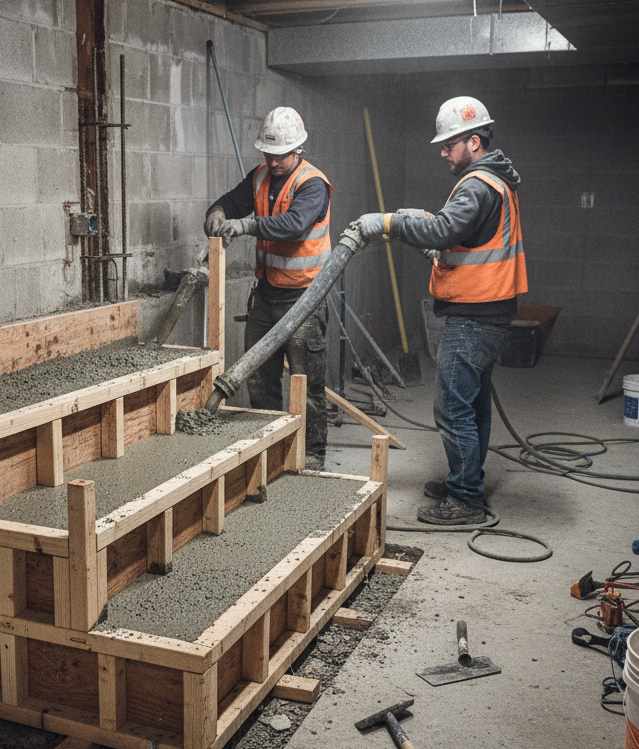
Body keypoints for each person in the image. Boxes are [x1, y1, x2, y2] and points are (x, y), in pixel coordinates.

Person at [344, 95, 527, 525]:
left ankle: (465, 500)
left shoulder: (479, 184)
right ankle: (467, 481)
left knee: (452, 408)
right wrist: (432, 235)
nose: (443, 152)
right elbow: (465, 238)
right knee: (473, 405)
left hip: (474, 317)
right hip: (488, 311)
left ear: (475, 142)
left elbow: (447, 229)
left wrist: (388, 223)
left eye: (449, 144)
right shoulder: (494, 182)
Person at [204, 107, 333, 470]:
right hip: (267, 297)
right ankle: (271, 452)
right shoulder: (260, 176)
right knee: (260, 380)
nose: (273, 161)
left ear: (298, 150)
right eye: (269, 153)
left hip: (304, 300)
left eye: (281, 155)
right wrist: (217, 212)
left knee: (307, 386)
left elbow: (293, 224)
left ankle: (311, 457)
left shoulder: (312, 184)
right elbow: (233, 200)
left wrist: (244, 227)